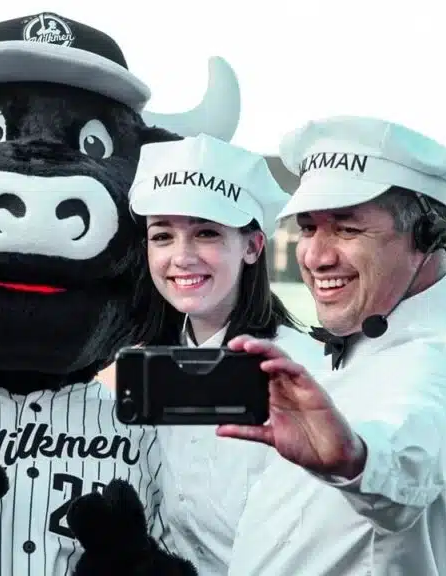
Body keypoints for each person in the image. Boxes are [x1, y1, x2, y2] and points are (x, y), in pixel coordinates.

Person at [130, 125, 446, 576]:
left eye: (348, 228)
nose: (317, 256)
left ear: (425, 234)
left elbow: (410, 440)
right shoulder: (364, 337)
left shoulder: (424, 358)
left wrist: (356, 458)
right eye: (308, 228)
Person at [128, 132, 327, 574]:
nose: (181, 257)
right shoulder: (149, 368)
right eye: (162, 236)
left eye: (206, 234)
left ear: (253, 246)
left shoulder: (307, 370)